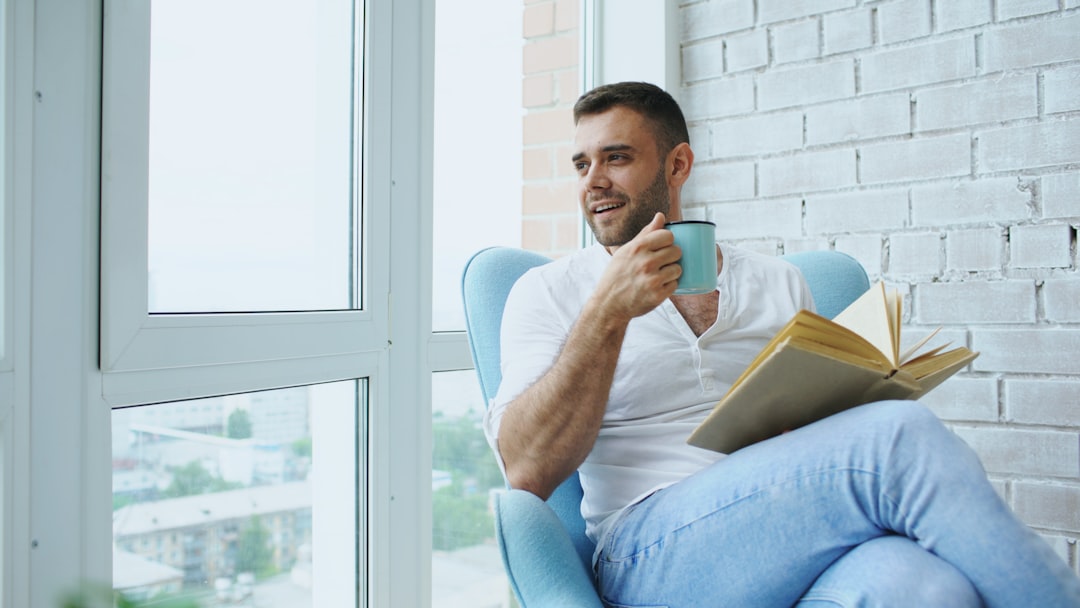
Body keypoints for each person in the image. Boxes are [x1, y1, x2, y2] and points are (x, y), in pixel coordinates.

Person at [482, 81, 1080, 607]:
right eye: (581, 164)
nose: (595, 181)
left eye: (616, 158)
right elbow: (527, 468)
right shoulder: (549, 292)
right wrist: (608, 312)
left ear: (677, 164)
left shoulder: (777, 280)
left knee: (924, 588)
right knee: (901, 435)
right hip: (646, 553)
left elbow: (817, 426)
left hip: (785, 527)